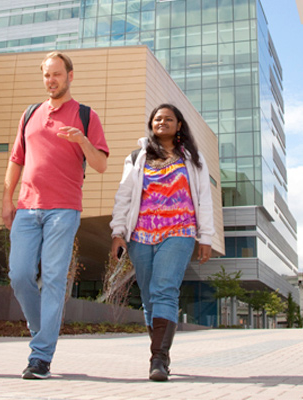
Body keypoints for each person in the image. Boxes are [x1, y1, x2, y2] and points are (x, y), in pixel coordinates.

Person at [2, 51, 109, 379]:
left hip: (64, 209)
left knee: (52, 278)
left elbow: (101, 164)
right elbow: (16, 159)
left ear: (70, 76)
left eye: (57, 74)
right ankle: (42, 332)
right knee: (19, 276)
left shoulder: (86, 115)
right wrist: (7, 199)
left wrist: (82, 141)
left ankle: (41, 356)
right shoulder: (30, 113)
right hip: (27, 208)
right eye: (46, 75)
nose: (51, 80)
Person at [109, 103, 214, 382]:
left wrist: (206, 237)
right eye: (157, 118)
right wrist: (118, 232)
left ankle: (159, 358)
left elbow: (203, 198)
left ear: (179, 125)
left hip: (179, 231)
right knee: (148, 297)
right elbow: (124, 196)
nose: (162, 122)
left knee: (164, 289)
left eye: (169, 119)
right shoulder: (137, 157)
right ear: (151, 124)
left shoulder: (192, 159)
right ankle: (159, 352)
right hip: (140, 235)